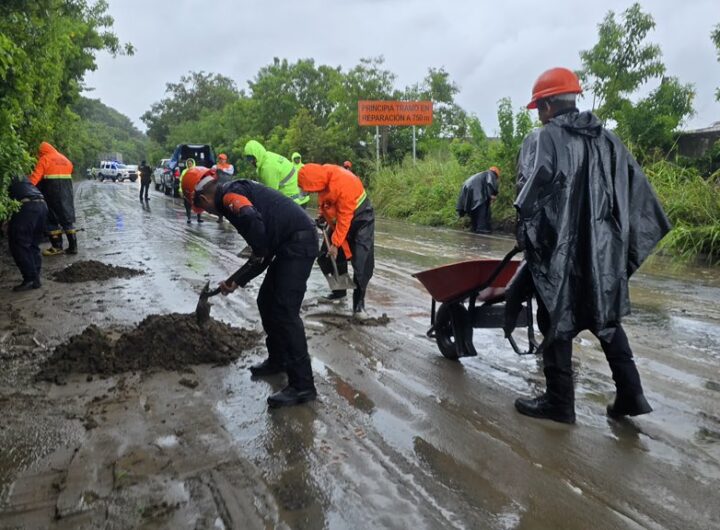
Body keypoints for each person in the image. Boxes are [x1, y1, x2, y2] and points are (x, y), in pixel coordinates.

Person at [511, 67, 671, 424]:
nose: (538, 114)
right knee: (606, 317)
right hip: (603, 254)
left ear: (550, 105)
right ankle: (631, 393)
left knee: (556, 317)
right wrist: (616, 251)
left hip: (561, 256)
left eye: (539, 106)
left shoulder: (544, 139)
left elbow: (529, 200)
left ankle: (559, 403)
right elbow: (639, 198)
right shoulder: (609, 141)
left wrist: (530, 245)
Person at [182, 167, 319, 408]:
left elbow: (257, 238)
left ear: (203, 199)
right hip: (286, 244)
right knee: (265, 301)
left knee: (285, 312)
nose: (208, 213)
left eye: (203, 208)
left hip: (298, 242)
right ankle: (278, 360)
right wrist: (235, 280)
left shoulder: (229, 198)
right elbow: (262, 251)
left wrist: (243, 271)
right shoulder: (232, 193)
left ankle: (303, 386)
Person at [298, 163, 375, 313]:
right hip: (340, 221)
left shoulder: (342, 185)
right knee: (325, 257)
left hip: (361, 220)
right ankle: (340, 292)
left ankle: (359, 305)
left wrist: (335, 244)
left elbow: (345, 218)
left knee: (361, 264)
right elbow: (327, 202)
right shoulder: (323, 178)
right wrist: (323, 216)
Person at [29, 142, 77, 255]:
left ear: (42, 151)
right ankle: (73, 247)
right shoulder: (65, 159)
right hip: (66, 193)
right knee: (67, 218)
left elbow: (34, 179)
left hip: (51, 192)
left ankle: (57, 246)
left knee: (51, 219)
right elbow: (70, 171)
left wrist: (27, 189)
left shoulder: (45, 159)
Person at [6, 177, 48, 291]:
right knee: (33, 244)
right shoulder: (19, 174)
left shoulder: (5, 174)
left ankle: (30, 279)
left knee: (19, 244)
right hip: (42, 205)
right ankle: (35, 279)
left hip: (27, 207)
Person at [244, 140, 310, 208]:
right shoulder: (268, 156)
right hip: (300, 197)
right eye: (248, 159)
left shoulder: (268, 168)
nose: (251, 161)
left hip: (293, 201)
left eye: (252, 158)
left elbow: (271, 195)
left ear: (258, 154)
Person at [456, 167, 500, 234]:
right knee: (482, 210)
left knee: (474, 210)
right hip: (477, 193)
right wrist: (493, 193)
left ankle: (474, 228)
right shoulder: (491, 174)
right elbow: (490, 183)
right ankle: (481, 228)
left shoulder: (480, 175)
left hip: (467, 190)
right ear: (496, 174)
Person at [212, 153, 235, 223]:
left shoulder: (230, 166)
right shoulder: (215, 166)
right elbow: (212, 171)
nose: (222, 161)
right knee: (219, 201)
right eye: (221, 159)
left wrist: (221, 169)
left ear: (226, 160)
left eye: (224, 159)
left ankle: (231, 217)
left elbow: (231, 172)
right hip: (219, 185)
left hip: (229, 185)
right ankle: (220, 217)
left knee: (229, 201)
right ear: (219, 159)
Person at [179, 158, 203, 224]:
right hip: (187, 190)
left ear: (193, 164)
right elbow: (181, 181)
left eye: (190, 163)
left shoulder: (197, 170)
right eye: (188, 163)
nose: (189, 165)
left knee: (198, 204)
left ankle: (199, 218)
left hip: (195, 190)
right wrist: (180, 190)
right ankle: (189, 218)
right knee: (187, 204)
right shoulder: (184, 171)